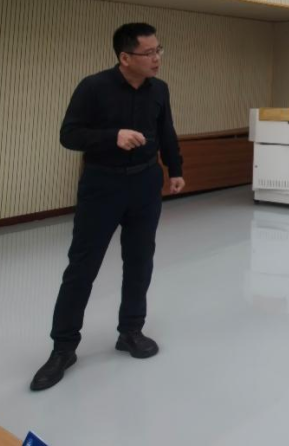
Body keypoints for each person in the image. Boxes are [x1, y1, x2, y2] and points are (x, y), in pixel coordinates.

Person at [30, 23, 185, 391]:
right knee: (82, 266)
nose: (157, 58)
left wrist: (175, 169)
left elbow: (166, 131)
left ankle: (131, 331)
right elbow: (69, 135)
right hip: (103, 185)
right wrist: (112, 136)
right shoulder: (93, 87)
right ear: (125, 57)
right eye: (149, 53)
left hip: (145, 184)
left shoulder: (159, 89)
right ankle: (63, 348)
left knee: (140, 260)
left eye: (159, 50)